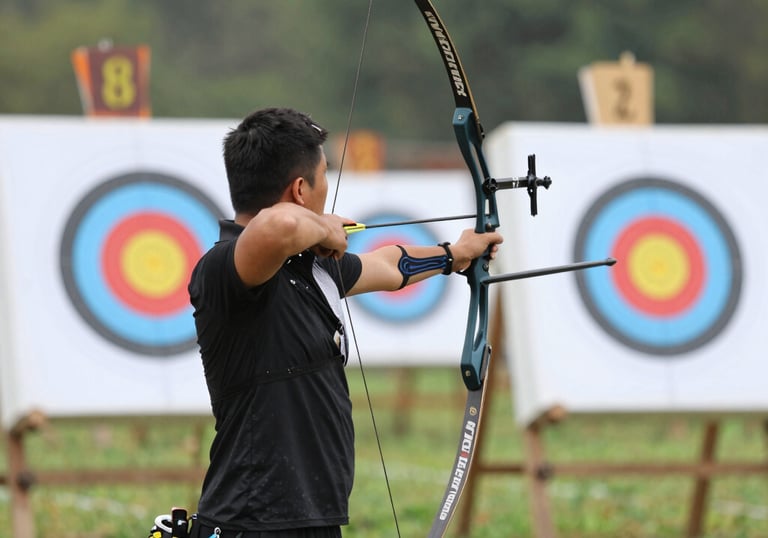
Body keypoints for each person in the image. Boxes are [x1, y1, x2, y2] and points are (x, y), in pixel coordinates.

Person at [187, 107, 503, 538]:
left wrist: (455, 254)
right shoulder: (224, 269)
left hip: (313, 520)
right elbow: (278, 226)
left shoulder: (310, 268)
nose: (326, 190)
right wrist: (322, 228)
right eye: (324, 177)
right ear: (300, 190)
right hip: (250, 522)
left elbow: (388, 266)